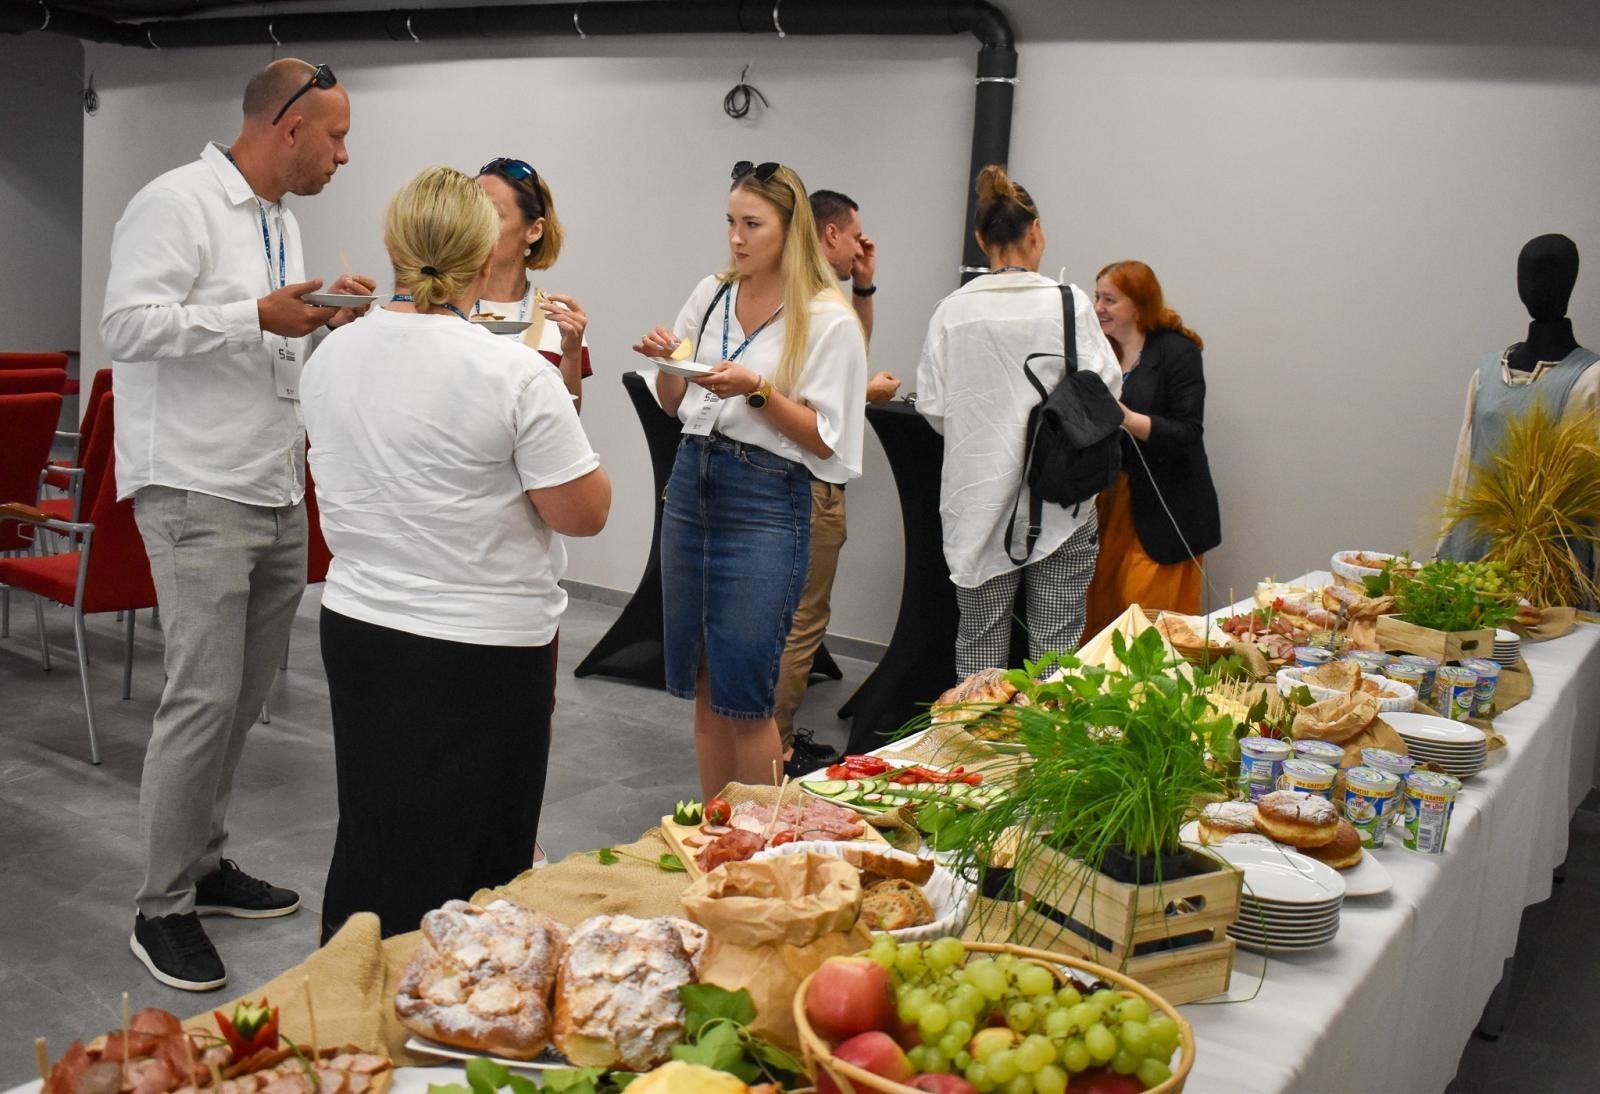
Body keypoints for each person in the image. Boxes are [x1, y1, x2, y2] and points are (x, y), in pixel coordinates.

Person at [104, 58, 372, 991]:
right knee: (201, 699)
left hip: (268, 482)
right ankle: (160, 906)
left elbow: (266, 338)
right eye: (335, 137)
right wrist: (253, 315)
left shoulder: (282, 224)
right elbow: (127, 326)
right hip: (194, 483)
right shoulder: (175, 203)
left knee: (241, 698)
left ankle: (205, 860)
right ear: (288, 128)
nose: (344, 154)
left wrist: (317, 317)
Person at [302, 166, 610, 941]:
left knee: (374, 834)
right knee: (477, 858)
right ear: (483, 254)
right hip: (480, 647)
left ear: (396, 245)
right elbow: (585, 513)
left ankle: (355, 993)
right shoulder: (509, 369)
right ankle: (454, 1019)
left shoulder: (331, 357)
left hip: (361, 626)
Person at [633, 161, 868, 800]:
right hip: (692, 482)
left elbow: (828, 439)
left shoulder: (827, 317)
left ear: (791, 231)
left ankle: (759, 844)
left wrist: (759, 390)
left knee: (747, 691)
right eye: (731, 223)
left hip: (766, 496)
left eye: (752, 225)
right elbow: (672, 402)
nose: (736, 239)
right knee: (706, 681)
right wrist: (670, 362)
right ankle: (718, 835)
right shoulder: (712, 292)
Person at [915, 164, 1121, 679]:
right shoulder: (1069, 304)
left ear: (982, 238)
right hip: (1062, 500)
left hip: (976, 500)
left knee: (980, 655)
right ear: (1036, 233)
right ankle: (1047, 754)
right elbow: (1107, 389)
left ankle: (981, 754)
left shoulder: (951, 312)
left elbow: (935, 408)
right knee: (1055, 655)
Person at [773, 189, 900, 776]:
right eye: (854, 235)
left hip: (787, 481)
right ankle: (777, 744)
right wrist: (864, 394)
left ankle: (771, 736)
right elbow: (820, 403)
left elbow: (852, 352)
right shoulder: (814, 303)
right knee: (802, 621)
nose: (860, 244)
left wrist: (865, 286)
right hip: (810, 484)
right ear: (828, 235)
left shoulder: (805, 296)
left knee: (787, 618)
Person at [1083, 261, 1221, 636]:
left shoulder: (1179, 353)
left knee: (1148, 625)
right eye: (1097, 297)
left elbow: (1187, 432)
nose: (1098, 308)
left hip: (1166, 510)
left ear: (1139, 304)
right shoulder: (1097, 352)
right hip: (1110, 504)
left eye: (1109, 299)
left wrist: (1126, 417)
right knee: (1102, 616)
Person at [473, 158, 592, 410]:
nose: (475, 226)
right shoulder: (441, 305)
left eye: (493, 214)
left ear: (534, 230)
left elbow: (568, 420)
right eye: (471, 213)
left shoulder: (558, 319)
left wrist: (571, 354)